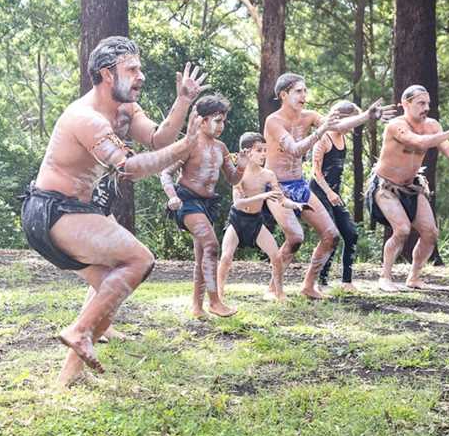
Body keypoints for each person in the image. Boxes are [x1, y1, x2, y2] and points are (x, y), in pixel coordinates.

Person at [21, 36, 208, 386]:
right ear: (108, 74)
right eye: (132, 69)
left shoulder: (125, 110)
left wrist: (183, 101)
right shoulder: (86, 118)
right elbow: (129, 169)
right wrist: (188, 145)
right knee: (139, 260)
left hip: (74, 210)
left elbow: (156, 138)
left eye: (140, 68)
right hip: (51, 212)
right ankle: (78, 330)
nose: (141, 76)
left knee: (107, 299)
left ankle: (67, 379)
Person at [262, 73, 382, 299]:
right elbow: (295, 149)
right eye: (298, 91)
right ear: (283, 95)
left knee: (331, 235)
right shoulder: (273, 121)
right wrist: (321, 130)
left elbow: (337, 125)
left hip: (298, 185)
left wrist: (366, 116)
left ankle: (308, 286)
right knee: (296, 238)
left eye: (305, 91)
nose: (304, 95)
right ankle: (273, 288)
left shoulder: (309, 116)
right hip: (275, 186)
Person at [367, 84, 449, 292]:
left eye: (428, 103)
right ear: (405, 104)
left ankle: (414, 277)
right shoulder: (395, 125)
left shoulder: (433, 126)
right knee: (401, 229)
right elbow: (418, 142)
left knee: (430, 233)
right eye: (421, 103)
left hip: (411, 186)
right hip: (385, 187)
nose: (426, 107)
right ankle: (385, 276)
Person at [159, 95, 248, 318]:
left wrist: (243, 167)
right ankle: (215, 302)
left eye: (223, 121)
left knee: (202, 255)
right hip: (186, 201)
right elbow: (166, 173)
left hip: (208, 204)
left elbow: (233, 179)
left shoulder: (221, 148)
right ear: (201, 120)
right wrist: (172, 197)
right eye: (217, 121)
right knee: (211, 245)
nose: (222, 126)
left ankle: (197, 308)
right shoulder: (189, 144)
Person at [310, 99, 397, 290]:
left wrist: (335, 193)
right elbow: (315, 172)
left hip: (335, 193)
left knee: (351, 234)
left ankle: (346, 282)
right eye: (352, 122)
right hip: (319, 193)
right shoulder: (324, 137)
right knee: (330, 235)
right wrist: (329, 192)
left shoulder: (342, 138)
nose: (351, 128)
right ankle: (320, 282)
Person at [217, 131, 302, 304]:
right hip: (237, 220)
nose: (264, 154)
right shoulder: (238, 174)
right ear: (247, 152)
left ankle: (279, 293)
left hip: (255, 221)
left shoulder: (268, 175)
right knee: (226, 257)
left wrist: (295, 205)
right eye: (259, 150)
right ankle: (218, 294)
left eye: (265, 150)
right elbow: (238, 203)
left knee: (276, 256)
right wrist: (262, 197)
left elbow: (280, 198)